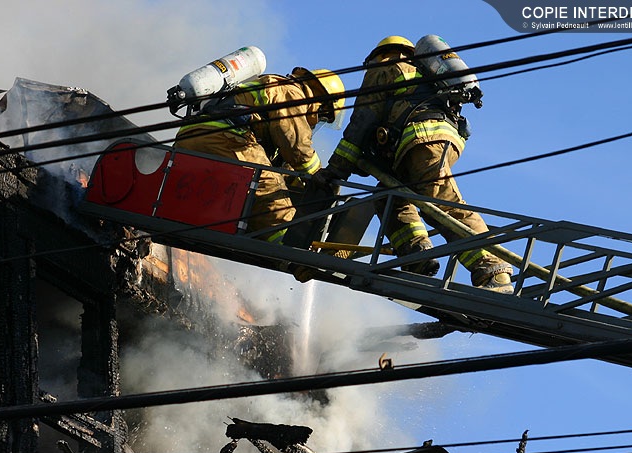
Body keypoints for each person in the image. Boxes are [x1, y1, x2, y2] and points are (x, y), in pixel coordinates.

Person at [315, 36, 514, 293]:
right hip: (432, 142)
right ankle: (417, 254)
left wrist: (336, 170)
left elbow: (361, 122)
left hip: (422, 140)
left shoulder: (387, 68)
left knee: (442, 203)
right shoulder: (422, 77)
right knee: (389, 199)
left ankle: (494, 270)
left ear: (380, 55)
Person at [174, 67, 345, 244]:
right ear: (324, 104)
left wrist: (301, 184)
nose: (316, 121)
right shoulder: (291, 92)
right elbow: (296, 145)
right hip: (226, 139)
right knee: (268, 187)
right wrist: (319, 175)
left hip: (190, 139)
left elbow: (284, 163)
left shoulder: (275, 89)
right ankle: (286, 247)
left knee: (253, 193)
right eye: (323, 117)